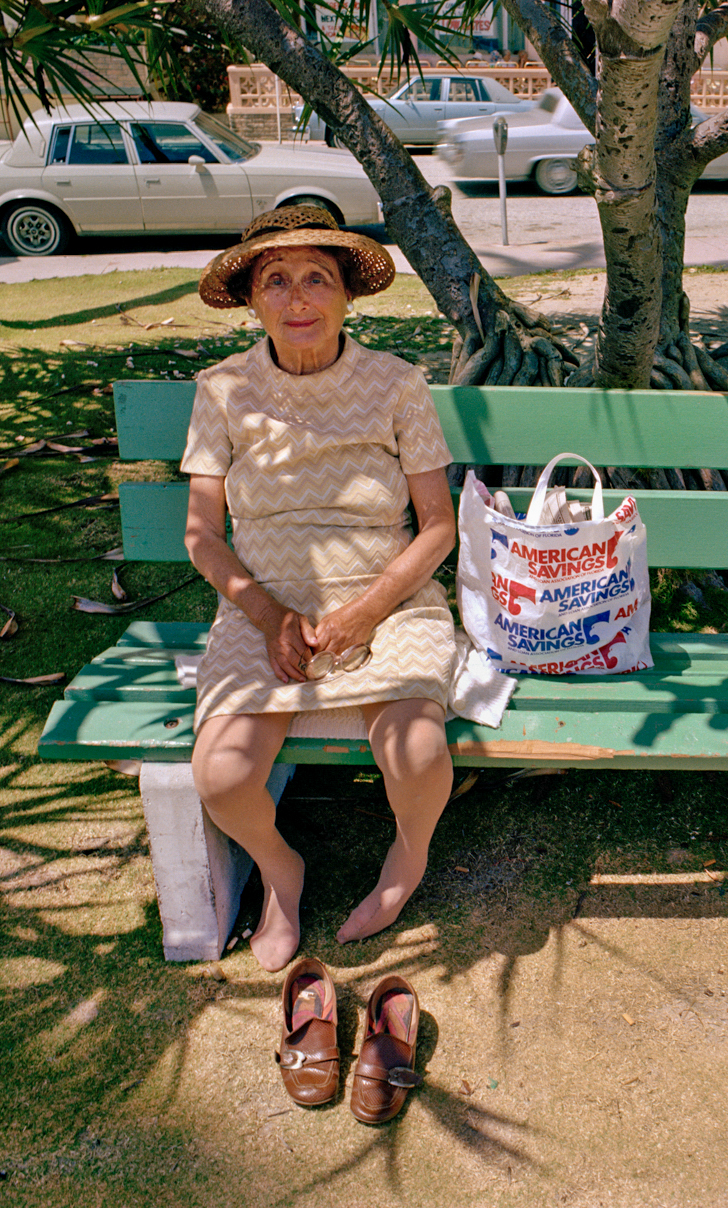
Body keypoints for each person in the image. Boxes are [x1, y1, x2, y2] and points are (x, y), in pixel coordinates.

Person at [184, 205, 513, 972]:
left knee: (420, 750)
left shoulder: (397, 385)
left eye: (316, 279)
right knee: (222, 777)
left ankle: (407, 858)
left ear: (346, 297)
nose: (298, 298)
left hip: (388, 599)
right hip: (267, 604)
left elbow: (435, 527)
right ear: (252, 300)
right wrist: (268, 616)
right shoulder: (223, 391)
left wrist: (366, 614)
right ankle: (280, 869)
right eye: (277, 281)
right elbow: (202, 534)